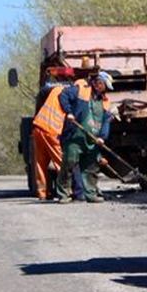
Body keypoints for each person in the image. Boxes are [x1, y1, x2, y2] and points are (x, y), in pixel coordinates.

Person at [55, 70, 113, 203]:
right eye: (105, 86)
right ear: (99, 83)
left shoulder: (105, 101)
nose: (106, 91)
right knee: (69, 163)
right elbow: (63, 95)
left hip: (92, 139)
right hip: (75, 135)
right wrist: (68, 112)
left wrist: (102, 138)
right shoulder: (80, 91)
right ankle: (64, 194)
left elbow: (106, 122)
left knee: (91, 167)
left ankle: (90, 194)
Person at [30, 67, 69, 200]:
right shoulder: (70, 94)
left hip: (38, 126)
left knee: (40, 163)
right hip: (52, 130)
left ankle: (43, 193)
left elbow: (40, 97)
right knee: (62, 163)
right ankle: (66, 191)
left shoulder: (53, 90)